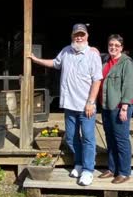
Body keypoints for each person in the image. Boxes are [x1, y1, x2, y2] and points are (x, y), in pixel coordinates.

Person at [29, 23, 103, 186]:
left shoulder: (93, 54)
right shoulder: (66, 51)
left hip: (86, 106)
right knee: (71, 137)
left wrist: (91, 102)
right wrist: (36, 60)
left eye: (82, 35)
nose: (79, 37)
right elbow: (55, 63)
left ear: (87, 36)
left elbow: (97, 80)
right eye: (76, 34)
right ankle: (79, 163)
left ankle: (88, 170)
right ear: (72, 36)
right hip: (69, 104)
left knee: (88, 138)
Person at [97, 34, 133, 184]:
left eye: (116, 45)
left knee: (121, 139)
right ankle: (112, 169)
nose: (113, 47)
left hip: (121, 105)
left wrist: (125, 107)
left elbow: (128, 84)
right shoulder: (106, 60)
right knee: (110, 137)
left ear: (122, 47)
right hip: (107, 104)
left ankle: (124, 172)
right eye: (110, 45)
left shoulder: (126, 62)